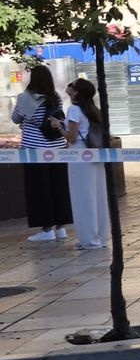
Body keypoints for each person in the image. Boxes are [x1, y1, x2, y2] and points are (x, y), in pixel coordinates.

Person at [11, 66, 72, 242]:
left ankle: (47, 229)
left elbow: (15, 119)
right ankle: (61, 228)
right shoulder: (56, 98)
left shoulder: (25, 98)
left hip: (35, 150)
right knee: (59, 187)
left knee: (39, 189)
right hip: (57, 148)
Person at [63, 79, 111, 250]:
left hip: (79, 157)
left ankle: (89, 239)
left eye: (72, 85)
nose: (68, 86)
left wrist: (58, 126)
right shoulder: (93, 110)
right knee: (97, 196)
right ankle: (100, 236)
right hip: (94, 155)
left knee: (82, 198)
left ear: (76, 92)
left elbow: (72, 137)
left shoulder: (74, 109)